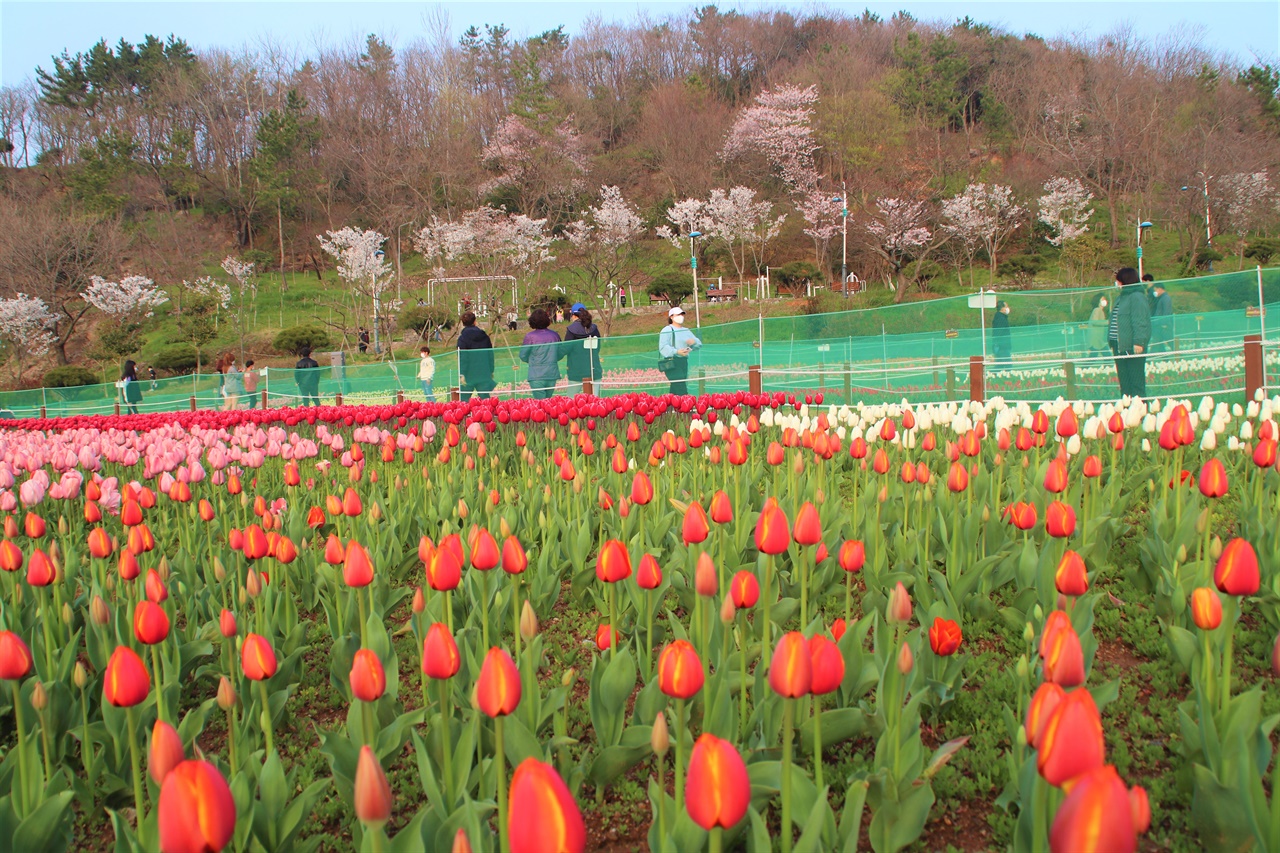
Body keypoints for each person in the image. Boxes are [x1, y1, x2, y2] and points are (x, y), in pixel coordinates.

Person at [1111, 267, 1151, 399]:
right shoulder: (1120, 298)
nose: (1117, 284)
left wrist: (1139, 342)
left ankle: (1140, 409)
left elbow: (1140, 321)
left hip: (1132, 347)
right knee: (1125, 383)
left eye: (1118, 281)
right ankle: (1127, 410)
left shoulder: (1137, 297)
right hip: (1119, 346)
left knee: (1136, 382)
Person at [520, 308, 565, 400]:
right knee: (547, 403)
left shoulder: (530, 337)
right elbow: (561, 353)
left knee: (541, 405)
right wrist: (551, 359)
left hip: (536, 374)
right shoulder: (554, 335)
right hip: (551, 373)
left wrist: (532, 361)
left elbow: (523, 355)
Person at [657, 306, 702, 396]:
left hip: (683, 361)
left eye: (682, 314)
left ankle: (670, 406)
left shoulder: (686, 330)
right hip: (672, 362)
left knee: (675, 388)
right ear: (671, 317)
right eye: (678, 315)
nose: (681, 316)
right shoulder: (667, 330)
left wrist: (694, 342)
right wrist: (676, 351)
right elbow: (663, 347)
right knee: (680, 386)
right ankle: (687, 406)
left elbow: (699, 344)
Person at [457, 311, 495, 401]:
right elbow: (490, 354)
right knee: (486, 401)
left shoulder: (462, 338)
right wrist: (491, 370)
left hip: (468, 373)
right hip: (483, 372)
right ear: (475, 321)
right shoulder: (484, 336)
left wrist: (462, 373)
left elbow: (463, 357)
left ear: (463, 323)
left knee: (464, 402)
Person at [565, 306, 603, 388]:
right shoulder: (594, 328)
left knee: (571, 399)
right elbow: (598, 347)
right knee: (594, 399)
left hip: (576, 371)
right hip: (594, 369)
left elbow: (566, 348)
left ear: (574, 316)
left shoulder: (571, 330)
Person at [1150, 280, 1173, 353]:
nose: (1155, 292)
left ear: (1160, 289)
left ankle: (1180, 356)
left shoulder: (1165, 298)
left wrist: (1164, 324)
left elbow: (1167, 312)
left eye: (1155, 290)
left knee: (1170, 342)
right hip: (1159, 325)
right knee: (1158, 343)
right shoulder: (1161, 298)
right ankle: (1164, 359)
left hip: (1163, 326)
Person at [991, 301, 1012, 368]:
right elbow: (999, 333)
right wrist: (998, 344)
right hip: (1002, 346)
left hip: (1001, 345)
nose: (1007, 308)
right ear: (1002, 308)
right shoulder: (1001, 319)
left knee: (1000, 364)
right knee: (1005, 365)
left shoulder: (999, 317)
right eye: (1006, 307)